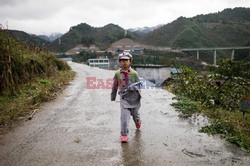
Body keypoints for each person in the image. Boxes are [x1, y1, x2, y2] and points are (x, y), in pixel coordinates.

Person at [111, 52, 142, 143]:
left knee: (135, 114)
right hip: (124, 98)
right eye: (122, 60)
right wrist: (113, 96)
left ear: (130, 61)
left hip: (134, 98)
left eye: (126, 60)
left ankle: (138, 121)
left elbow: (139, 86)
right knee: (124, 117)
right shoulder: (117, 73)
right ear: (119, 62)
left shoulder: (134, 73)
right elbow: (114, 86)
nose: (124, 62)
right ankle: (124, 134)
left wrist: (133, 87)